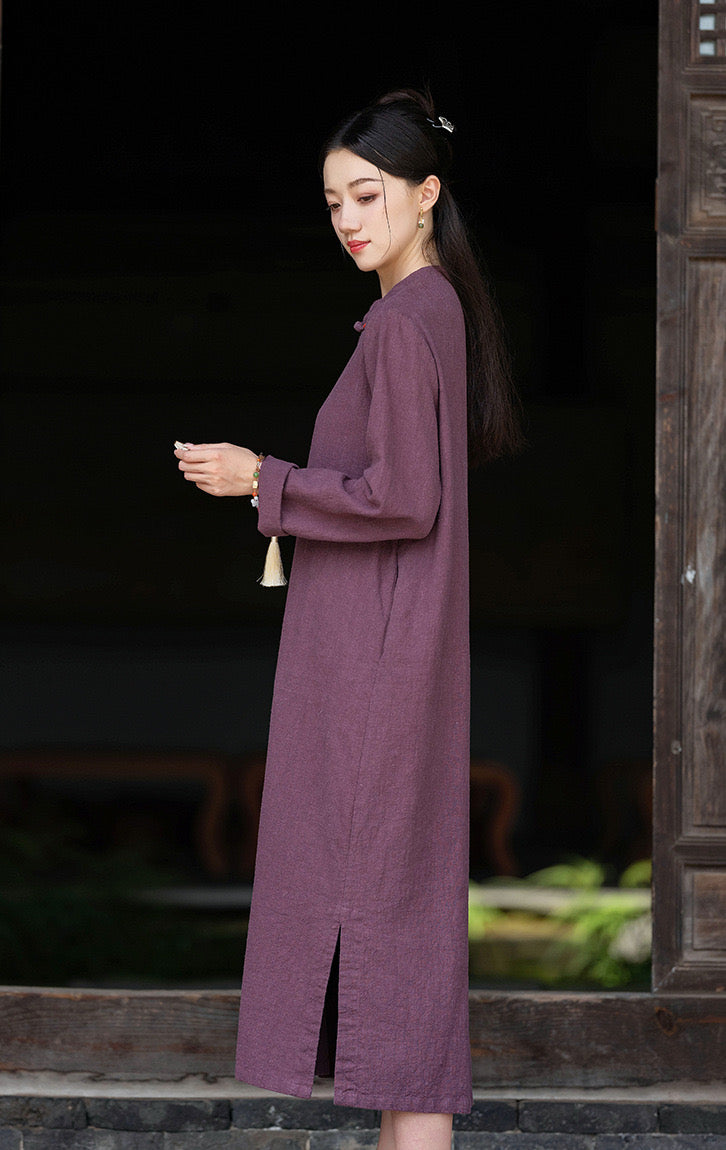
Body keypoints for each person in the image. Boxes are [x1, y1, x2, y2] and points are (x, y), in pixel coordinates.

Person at [175, 88, 522, 1150]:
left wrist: (262, 479)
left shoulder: (409, 321)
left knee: (382, 908)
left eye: (368, 195)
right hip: (389, 650)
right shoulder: (424, 313)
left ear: (427, 194)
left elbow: (404, 499)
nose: (349, 220)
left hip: (375, 661)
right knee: (400, 915)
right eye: (333, 202)